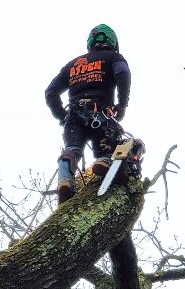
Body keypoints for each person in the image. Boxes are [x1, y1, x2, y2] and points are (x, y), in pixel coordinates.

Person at [45, 24, 132, 204]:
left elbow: (50, 92)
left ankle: (65, 181)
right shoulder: (113, 57)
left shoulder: (73, 65)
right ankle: (104, 162)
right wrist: (122, 104)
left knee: (72, 150)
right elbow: (123, 72)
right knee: (106, 147)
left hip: (74, 115)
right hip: (101, 113)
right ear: (112, 41)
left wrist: (63, 116)